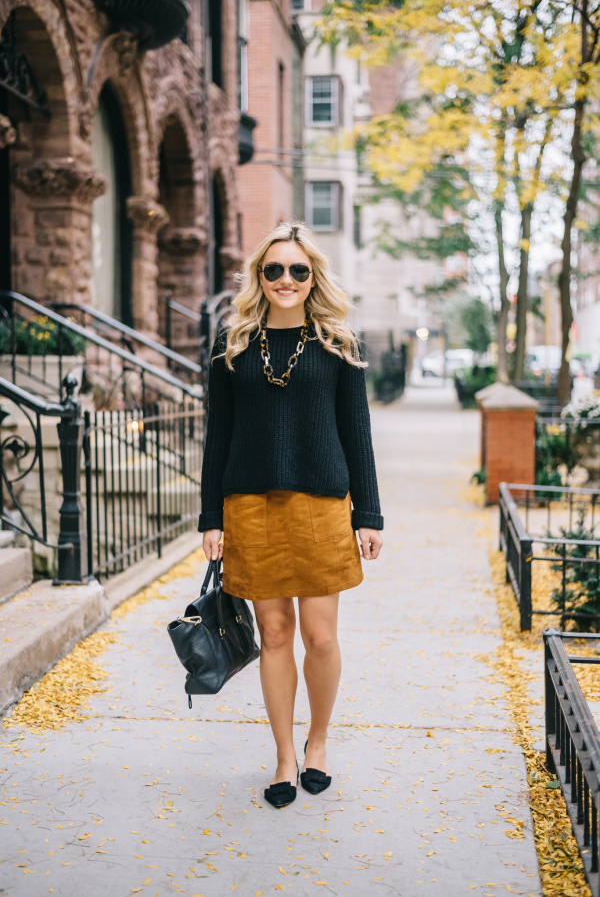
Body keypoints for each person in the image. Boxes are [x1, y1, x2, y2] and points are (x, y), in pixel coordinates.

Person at [198, 221, 383, 808]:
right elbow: (217, 438)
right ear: (258, 276)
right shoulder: (230, 347)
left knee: (320, 637)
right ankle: (282, 757)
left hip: (322, 503)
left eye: (297, 270)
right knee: (274, 634)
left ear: (312, 278)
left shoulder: (337, 345)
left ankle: (318, 744)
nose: (285, 279)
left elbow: (358, 433)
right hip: (249, 505)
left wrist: (369, 513)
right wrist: (211, 517)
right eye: (273, 269)